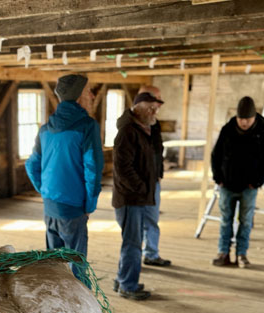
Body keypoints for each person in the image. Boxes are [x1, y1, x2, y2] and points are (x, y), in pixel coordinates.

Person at [25, 74, 103, 278]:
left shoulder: (45, 129)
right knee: (77, 267)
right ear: (78, 97)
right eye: (88, 91)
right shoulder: (87, 126)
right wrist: (89, 205)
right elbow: (92, 169)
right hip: (73, 207)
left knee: (53, 266)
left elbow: (32, 164)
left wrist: (44, 191)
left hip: (50, 206)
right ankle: (80, 307)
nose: (92, 96)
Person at [210, 96, 264, 268]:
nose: (244, 122)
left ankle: (241, 254)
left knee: (246, 221)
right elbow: (216, 155)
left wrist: (258, 181)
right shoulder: (228, 130)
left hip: (249, 186)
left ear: (254, 117)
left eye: (247, 119)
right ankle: (223, 253)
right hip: (227, 184)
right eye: (241, 119)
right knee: (226, 220)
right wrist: (218, 177)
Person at [111, 91, 164, 300]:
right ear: (138, 107)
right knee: (133, 244)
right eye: (150, 108)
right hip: (131, 199)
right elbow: (123, 169)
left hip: (139, 197)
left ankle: (121, 279)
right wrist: (142, 188)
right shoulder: (127, 132)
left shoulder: (144, 129)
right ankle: (127, 285)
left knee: (131, 242)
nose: (154, 112)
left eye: (156, 109)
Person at [138, 85, 171, 267]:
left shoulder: (154, 124)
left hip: (153, 181)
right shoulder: (131, 125)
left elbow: (157, 151)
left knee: (152, 218)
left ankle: (151, 253)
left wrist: (158, 174)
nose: (158, 105)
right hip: (137, 184)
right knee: (134, 225)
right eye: (156, 100)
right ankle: (132, 262)